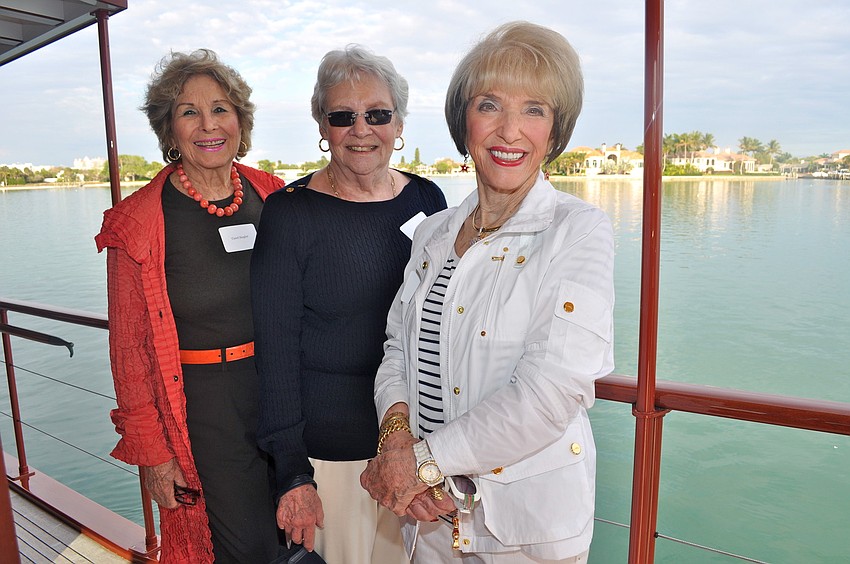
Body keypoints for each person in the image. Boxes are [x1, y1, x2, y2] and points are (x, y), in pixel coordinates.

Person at [360, 21, 615, 563]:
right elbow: (398, 349)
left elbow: (550, 392)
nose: (509, 130)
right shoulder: (432, 232)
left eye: (534, 110)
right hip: (426, 521)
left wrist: (422, 464)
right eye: (490, 104)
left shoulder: (579, 230)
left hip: (522, 532)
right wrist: (397, 439)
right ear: (464, 120)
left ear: (555, 129)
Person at [251, 45, 447, 564]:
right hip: (332, 457)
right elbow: (274, 352)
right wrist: (293, 475)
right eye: (343, 116)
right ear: (323, 125)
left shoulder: (429, 202)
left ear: (398, 122)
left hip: (420, 449)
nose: (362, 129)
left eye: (377, 114)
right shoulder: (290, 214)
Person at [95, 49, 284, 563]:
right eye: (189, 112)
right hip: (205, 412)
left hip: (281, 399)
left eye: (221, 109)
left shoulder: (275, 196)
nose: (208, 125)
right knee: (249, 550)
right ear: (168, 129)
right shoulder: (137, 222)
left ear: (241, 121)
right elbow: (129, 351)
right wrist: (153, 455)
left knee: (297, 535)